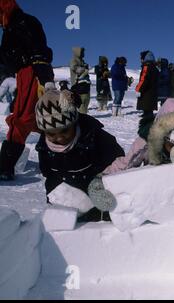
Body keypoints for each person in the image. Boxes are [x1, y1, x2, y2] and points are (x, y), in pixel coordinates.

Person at [92, 98, 174, 226]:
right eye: (173, 145)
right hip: (150, 191)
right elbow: (124, 164)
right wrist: (101, 181)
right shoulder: (146, 143)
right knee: (110, 208)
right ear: (163, 137)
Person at [35, 88, 124, 222]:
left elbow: (119, 162)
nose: (59, 138)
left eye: (64, 130)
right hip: (70, 210)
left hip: (101, 205)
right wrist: (54, 200)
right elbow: (50, 177)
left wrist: (101, 182)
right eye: (51, 134)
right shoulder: (44, 148)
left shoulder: (95, 137)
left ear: (74, 122)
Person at [0, 0, 54, 181]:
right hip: (23, 74)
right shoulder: (10, 26)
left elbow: (39, 50)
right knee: (37, 119)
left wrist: (44, 78)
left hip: (32, 72)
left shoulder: (24, 23)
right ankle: (50, 161)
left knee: (23, 119)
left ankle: (5, 168)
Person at [136, 50, 159, 118]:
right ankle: (148, 113)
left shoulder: (146, 67)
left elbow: (143, 79)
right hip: (153, 90)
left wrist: (138, 89)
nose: (141, 60)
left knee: (146, 102)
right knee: (150, 104)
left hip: (146, 91)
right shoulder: (155, 68)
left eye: (141, 58)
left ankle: (147, 114)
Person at [70, 47, 91, 114]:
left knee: (86, 100)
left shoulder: (82, 61)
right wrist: (84, 69)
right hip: (78, 85)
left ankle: (83, 114)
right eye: (82, 52)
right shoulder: (73, 61)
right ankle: (82, 116)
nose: (83, 53)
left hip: (85, 84)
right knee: (81, 101)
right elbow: (75, 68)